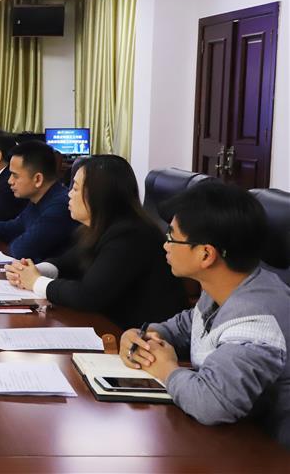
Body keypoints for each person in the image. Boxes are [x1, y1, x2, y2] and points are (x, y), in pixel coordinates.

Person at [119, 183, 289, 448]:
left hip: (267, 452)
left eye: (172, 237)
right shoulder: (225, 287)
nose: (165, 245)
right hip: (227, 438)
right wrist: (144, 336)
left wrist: (165, 369)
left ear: (206, 254)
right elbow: (186, 325)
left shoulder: (257, 320)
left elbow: (212, 403)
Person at [4, 155, 187, 329]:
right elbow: (68, 262)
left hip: (140, 336)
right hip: (109, 324)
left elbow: (88, 295)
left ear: (98, 195)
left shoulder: (130, 235)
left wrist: (36, 282)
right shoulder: (100, 227)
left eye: (75, 188)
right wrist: (32, 271)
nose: (69, 194)